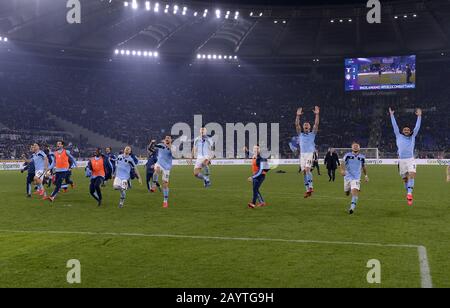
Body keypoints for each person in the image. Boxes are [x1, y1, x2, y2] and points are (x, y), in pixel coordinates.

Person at [389, 107, 422, 206]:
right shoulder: (398, 136)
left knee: (412, 174)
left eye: (408, 129)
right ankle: (408, 194)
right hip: (401, 161)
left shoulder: (412, 137)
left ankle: (409, 194)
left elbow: (417, 127)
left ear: (410, 131)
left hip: (410, 160)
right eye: (405, 129)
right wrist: (392, 115)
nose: (406, 130)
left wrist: (419, 116)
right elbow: (394, 126)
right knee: (405, 179)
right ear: (402, 131)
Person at [295, 106, 320, 198]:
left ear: (309, 127)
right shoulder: (300, 134)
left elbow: (316, 124)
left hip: (310, 153)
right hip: (302, 155)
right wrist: (298, 116)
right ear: (303, 127)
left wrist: (317, 114)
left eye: (307, 125)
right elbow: (297, 125)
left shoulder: (312, 134)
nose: (306, 125)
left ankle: (311, 187)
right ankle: (307, 191)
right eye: (304, 124)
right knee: (304, 172)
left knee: (307, 169)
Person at [340, 142, 369, 215]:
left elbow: (364, 167)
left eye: (357, 146)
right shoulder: (347, 155)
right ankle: (349, 189)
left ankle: (352, 208)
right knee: (347, 193)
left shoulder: (362, 157)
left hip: (356, 178)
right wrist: (342, 170)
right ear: (352, 148)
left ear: (359, 148)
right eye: (354, 146)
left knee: (354, 192)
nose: (355, 147)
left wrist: (366, 176)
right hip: (347, 177)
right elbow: (342, 163)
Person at [155, 136, 174, 208]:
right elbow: (153, 146)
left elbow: (173, 154)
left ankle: (165, 201)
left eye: (168, 138)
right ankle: (154, 184)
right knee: (157, 169)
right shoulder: (161, 145)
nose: (167, 138)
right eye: (166, 137)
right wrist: (152, 143)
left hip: (167, 167)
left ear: (171, 140)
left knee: (165, 185)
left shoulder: (173, 147)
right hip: (159, 163)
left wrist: (169, 146)